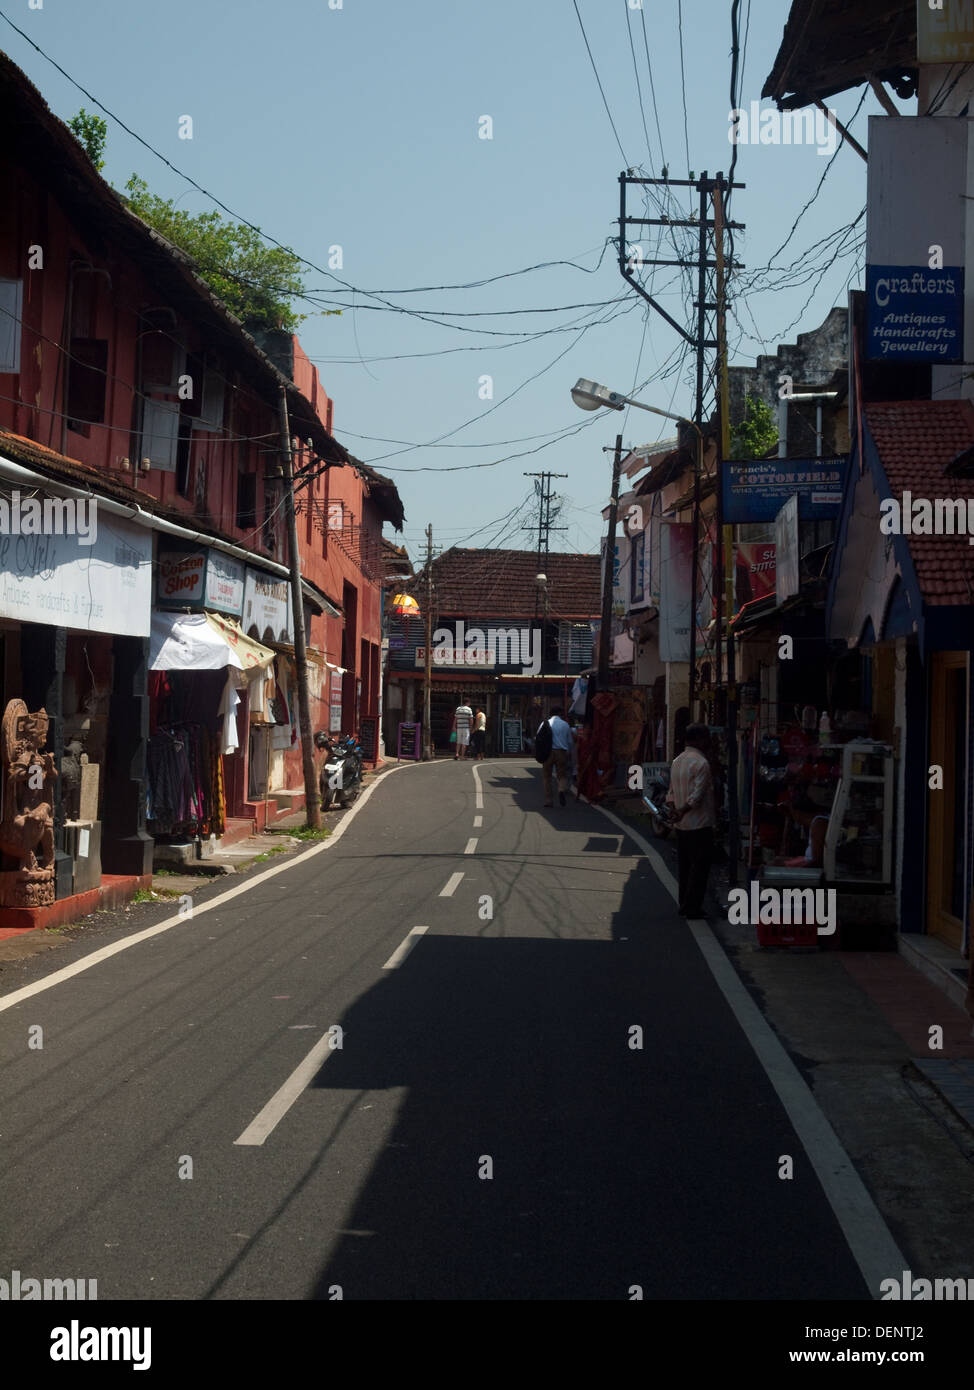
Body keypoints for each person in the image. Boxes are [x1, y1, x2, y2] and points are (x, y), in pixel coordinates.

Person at [666, 722, 716, 917]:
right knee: (700, 867)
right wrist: (682, 811)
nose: (709, 742)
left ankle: (684, 904)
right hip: (699, 823)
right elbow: (697, 796)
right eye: (707, 738)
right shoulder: (701, 763)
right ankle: (692, 907)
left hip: (681, 825)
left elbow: (670, 792)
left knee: (685, 866)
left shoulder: (677, 761)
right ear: (700, 740)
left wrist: (674, 811)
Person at [541, 706, 574, 807]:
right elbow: (570, 742)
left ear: (550, 714)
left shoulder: (545, 723)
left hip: (548, 752)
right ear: (560, 714)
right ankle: (561, 789)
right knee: (562, 775)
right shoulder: (565, 725)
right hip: (561, 752)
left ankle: (549, 800)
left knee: (547, 776)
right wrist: (568, 753)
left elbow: (539, 738)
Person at [453, 696, 473, 760]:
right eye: (469, 703)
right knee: (464, 742)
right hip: (466, 728)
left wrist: (453, 726)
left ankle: (457, 753)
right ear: (467, 703)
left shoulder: (458, 709)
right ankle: (462, 756)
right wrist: (471, 727)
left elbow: (455, 718)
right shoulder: (469, 709)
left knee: (458, 742)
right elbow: (471, 719)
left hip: (459, 727)